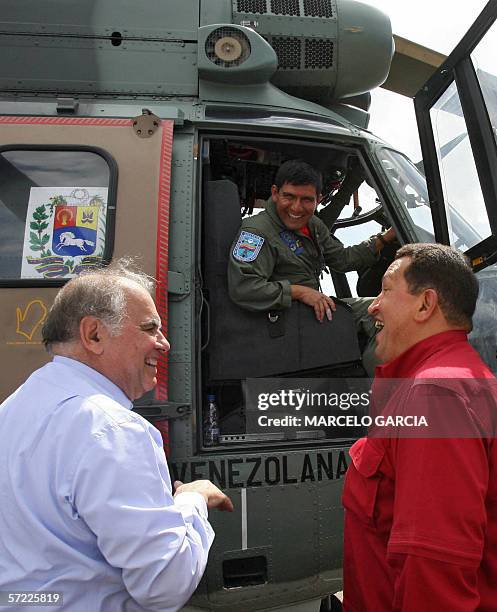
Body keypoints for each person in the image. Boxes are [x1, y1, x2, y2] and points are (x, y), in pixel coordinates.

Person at [0, 261, 233, 612]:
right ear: (94, 334)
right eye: (150, 328)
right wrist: (192, 501)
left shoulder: (15, 407)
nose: (164, 343)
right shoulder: (113, 429)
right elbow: (165, 583)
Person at [342, 243, 497, 611]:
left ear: (426, 305)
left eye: (386, 290)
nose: (374, 305)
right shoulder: (455, 381)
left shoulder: (435, 394)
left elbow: (435, 569)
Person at [227, 159, 396, 374]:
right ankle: (381, 393)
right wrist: (298, 292)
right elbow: (243, 287)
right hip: (286, 321)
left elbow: (342, 259)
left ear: (319, 199)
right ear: (275, 193)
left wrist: (385, 238)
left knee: (389, 308)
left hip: (309, 314)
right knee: (384, 312)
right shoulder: (256, 232)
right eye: (289, 197)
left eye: (306, 200)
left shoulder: (312, 224)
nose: (296, 208)